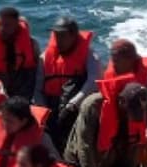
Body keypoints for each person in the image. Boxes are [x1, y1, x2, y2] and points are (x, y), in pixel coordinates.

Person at [64, 77, 147, 167]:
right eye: (130, 111)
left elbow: (132, 148)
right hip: (81, 164)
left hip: (108, 159)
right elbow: (84, 147)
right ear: (122, 101)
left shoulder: (137, 110)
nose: (131, 117)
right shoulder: (92, 105)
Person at [36, 17, 100, 149]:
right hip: (51, 106)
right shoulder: (44, 58)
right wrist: (43, 112)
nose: (58, 40)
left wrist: (72, 104)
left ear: (73, 36)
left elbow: (93, 82)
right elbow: (37, 89)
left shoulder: (90, 55)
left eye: (62, 36)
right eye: (56, 35)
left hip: (76, 106)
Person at [0, 7, 41, 100]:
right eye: (0, 24)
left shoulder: (31, 44)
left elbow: (34, 72)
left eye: (7, 25)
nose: (2, 28)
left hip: (22, 92)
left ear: (16, 24)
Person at [0, 96, 50, 167]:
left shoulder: (42, 139)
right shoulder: (1, 128)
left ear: (23, 121)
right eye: (3, 119)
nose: (5, 124)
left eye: (10, 121)